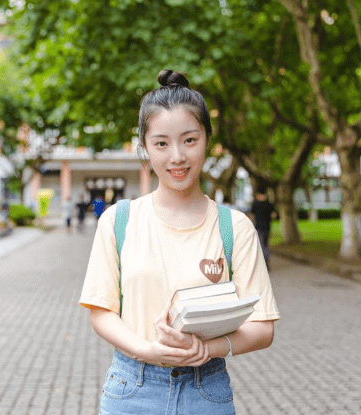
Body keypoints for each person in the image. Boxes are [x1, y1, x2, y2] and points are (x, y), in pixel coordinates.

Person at [79, 69, 280, 414]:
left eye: (189, 140)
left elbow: (262, 327)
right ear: (144, 146)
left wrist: (211, 348)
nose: (177, 157)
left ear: (207, 140)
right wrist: (147, 350)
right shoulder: (118, 221)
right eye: (161, 143)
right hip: (131, 389)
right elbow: (101, 312)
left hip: (206, 391)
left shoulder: (235, 227)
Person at [250, 186, 277, 270]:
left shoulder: (255, 204)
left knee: (260, 245)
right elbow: (274, 215)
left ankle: (263, 264)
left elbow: (251, 216)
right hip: (267, 227)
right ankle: (266, 263)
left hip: (258, 227)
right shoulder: (269, 204)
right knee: (265, 244)